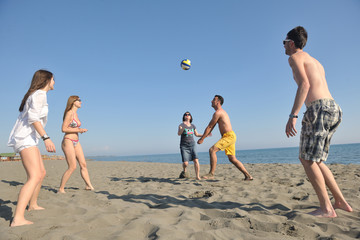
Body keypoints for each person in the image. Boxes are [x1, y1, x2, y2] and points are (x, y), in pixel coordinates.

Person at [283, 26, 353, 217]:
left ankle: (326, 208)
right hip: (334, 108)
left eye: (284, 43)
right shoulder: (316, 61)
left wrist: (293, 115)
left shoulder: (294, 58)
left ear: (291, 43)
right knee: (317, 160)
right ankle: (340, 202)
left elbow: (305, 85)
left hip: (318, 108)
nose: (283, 47)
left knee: (306, 159)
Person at [8, 70, 56, 227]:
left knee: (41, 173)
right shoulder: (39, 95)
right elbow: (33, 118)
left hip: (30, 138)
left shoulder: (37, 94)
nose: (54, 83)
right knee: (34, 176)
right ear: (47, 80)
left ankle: (33, 204)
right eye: (53, 79)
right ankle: (18, 218)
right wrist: (46, 138)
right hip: (25, 138)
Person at [197, 95, 253, 180]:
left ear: (218, 102)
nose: (211, 101)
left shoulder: (218, 113)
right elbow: (211, 127)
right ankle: (248, 176)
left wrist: (202, 138)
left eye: (213, 100)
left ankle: (211, 174)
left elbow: (210, 127)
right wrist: (204, 136)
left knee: (212, 150)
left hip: (229, 136)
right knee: (232, 159)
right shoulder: (221, 112)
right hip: (230, 136)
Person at [58, 96, 94, 193]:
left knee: (83, 164)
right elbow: (63, 129)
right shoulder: (69, 113)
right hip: (68, 140)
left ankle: (88, 185)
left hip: (76, 141)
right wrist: (79, 130)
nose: (81, 102)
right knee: (72, 166)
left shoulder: (76, 114)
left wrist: (79, 131)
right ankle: (61, 188)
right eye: (79, 100)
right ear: (73, 102)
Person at [178, 112, 206, 180]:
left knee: (196, 160)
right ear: (184, 117)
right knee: (185, 163)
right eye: (185, 115)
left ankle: (197, 176)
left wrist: (205, 135)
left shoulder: (193, 126)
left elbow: (196, 134)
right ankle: (184, 169)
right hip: (184, 145)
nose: (187, 116)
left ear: (190, 117)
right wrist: (183, 127)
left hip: (192, 144)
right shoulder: (181, 125)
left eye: (188, 115)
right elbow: (179, 133)